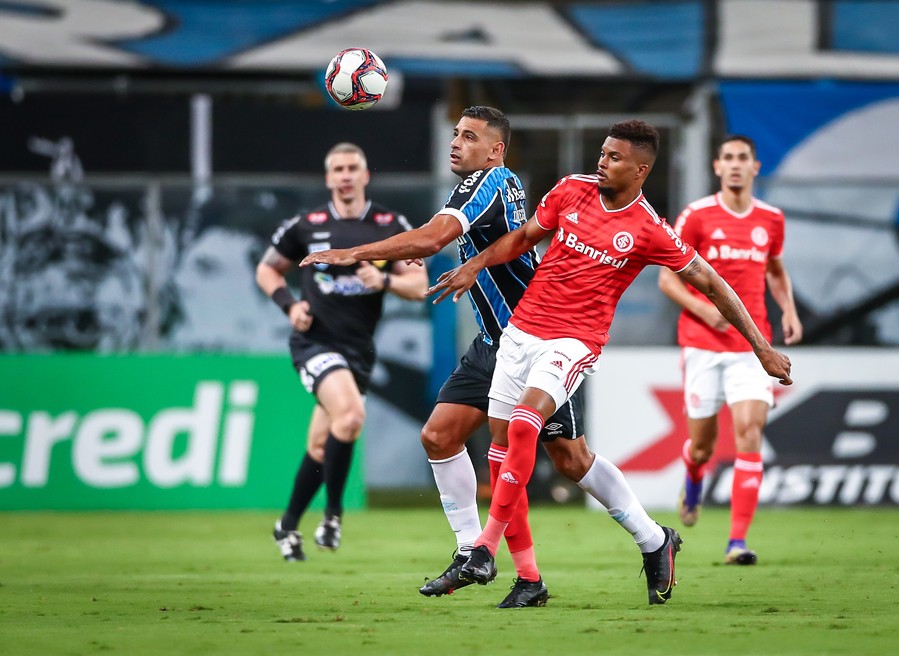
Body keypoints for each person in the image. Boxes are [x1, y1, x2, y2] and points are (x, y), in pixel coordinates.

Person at [301, 107, 681, 608]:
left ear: (496, 149)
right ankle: (476, 553)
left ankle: (653, 539)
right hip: (493, 342)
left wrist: (356, 252)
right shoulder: (485, 184)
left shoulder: (492, 180)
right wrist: (422, 245)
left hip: (539, 338)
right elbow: (444, 234)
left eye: (470, 136)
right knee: (440, 435)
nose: (456, 143)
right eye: (455, 134)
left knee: (570, 460)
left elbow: (437, 236)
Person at [427, 120, 793, 604]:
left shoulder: (648, 228)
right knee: (525, 452)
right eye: (602, 152)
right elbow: (524, 238)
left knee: (522, 428)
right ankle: (632, 547)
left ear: (641, 169)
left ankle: (484, 550)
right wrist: (475, 264)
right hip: (520, 334)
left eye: (614, 157)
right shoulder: (571, 190)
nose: (602, 161)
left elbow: (711, 282)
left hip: (575, 342)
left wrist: (760, 346)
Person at [257, 142, 428, 561]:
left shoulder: (390, 224)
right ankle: (333, 515)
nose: (346, 175)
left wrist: (384, 281)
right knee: (351, 416)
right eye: (338, 169)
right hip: (315, 341)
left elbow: (419, 286)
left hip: (358, 350)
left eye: (353, 168)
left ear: (366, 175)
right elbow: (267, 269)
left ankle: (286, 527)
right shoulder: (306, 224)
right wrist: (290, 305)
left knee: (320, 446)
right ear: (329, 177)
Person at [658, 135, 802, 565]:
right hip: (702, 345)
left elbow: (775, 270)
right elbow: (668, 278)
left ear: (755, 167)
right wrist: (704, 310)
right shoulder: (697, 216)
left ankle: (736, 542)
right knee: (702, 447)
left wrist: (789, 310)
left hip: (751, 346)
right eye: (728, 159)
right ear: (717, 167)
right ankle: (695, 475)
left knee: (750, 434)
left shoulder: (772, 219)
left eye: (743, 159)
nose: (736, 165)